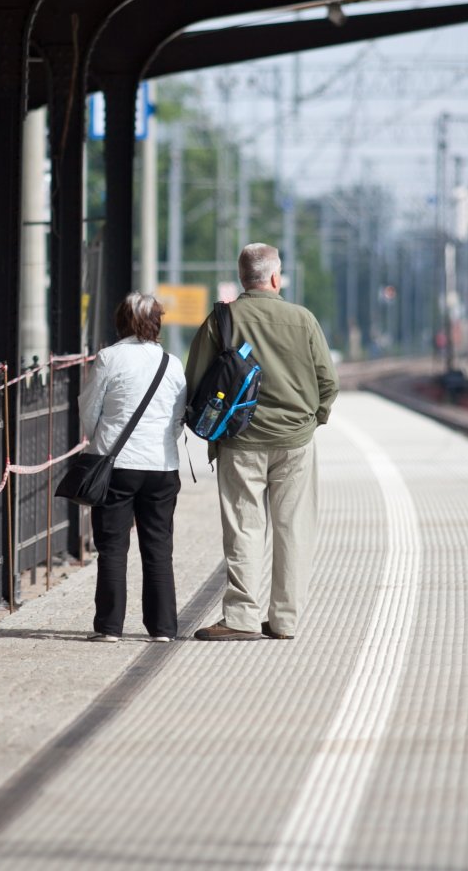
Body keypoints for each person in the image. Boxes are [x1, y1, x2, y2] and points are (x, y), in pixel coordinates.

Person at [186, 243, 337, 642]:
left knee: (244, 529)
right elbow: (329, 381)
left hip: (240, 442)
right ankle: (284, 619)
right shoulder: (302, 320)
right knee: (293, 529)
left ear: (242, 278)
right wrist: (311, 420)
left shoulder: (222, 320)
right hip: (295, 443)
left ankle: (241, 617)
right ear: (275, 277)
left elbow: (196, 381)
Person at [78, 293, 187, 643]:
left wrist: (102, 441)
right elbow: (178, 417)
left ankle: (109, 628)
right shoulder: (172, 363)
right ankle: (163, 629)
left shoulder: (108, 358)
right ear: (157, 323)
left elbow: (89, 410)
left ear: (120, 321)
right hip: (161, 466)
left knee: (112, 547)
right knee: (158, 547)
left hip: (117, 466)